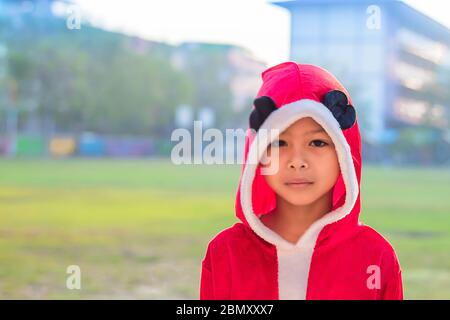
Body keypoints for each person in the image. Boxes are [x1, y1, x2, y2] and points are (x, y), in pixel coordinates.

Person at [200, 61, 403, 300]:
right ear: (258, 153)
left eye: (317, 143)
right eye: (279, 142)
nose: (297, 161)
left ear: (344, 153)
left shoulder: (376, 256)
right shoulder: (225, 253)